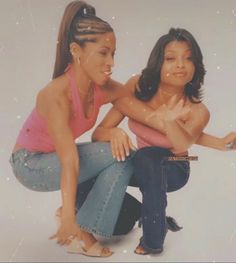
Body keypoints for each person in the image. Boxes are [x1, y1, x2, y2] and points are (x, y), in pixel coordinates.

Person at [8, 0, 139, 257]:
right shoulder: (56, 95)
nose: (111, 62)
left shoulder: (102, 87)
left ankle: (86, 223)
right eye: (103, 53)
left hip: (53, 159)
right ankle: (81, 231)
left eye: (113, 53)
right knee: (119, 154)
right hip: (29, 164)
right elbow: (70, 161)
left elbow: (134, 102)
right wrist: (68, 214)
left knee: (122, 153)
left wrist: (116, 129)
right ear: (76, 51)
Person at [92, 28, 236, 255]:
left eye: (188, 58)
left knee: (149, 156)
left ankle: (153, 238)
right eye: (171, 58)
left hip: (177, 163)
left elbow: (182, 145)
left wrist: (170, 122)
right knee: (92, 162)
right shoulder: (136, 86)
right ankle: (133, 214)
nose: (180, 65)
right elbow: (99, 132)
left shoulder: (197, 110)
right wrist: (114, 134)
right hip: (139, 163)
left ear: (196, 66)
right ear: (157, 62)